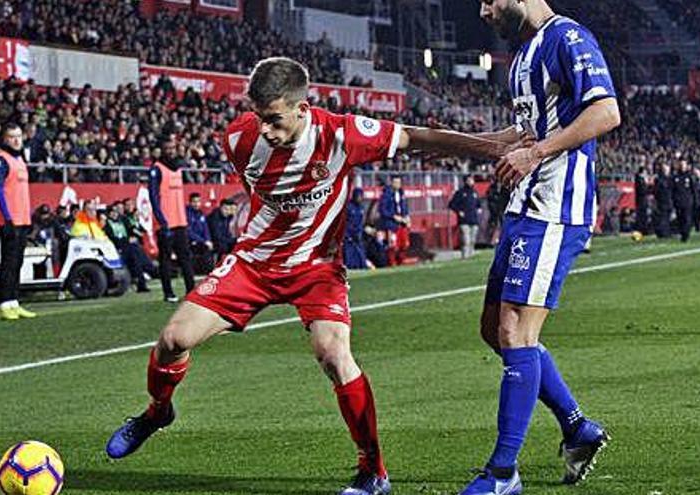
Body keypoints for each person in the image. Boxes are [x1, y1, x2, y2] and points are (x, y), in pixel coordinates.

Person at [105, 56, 510, 495]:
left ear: (303, 107)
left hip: (317, 268)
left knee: (334, 354)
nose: (263, 129)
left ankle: (373, 471)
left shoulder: (340, 133)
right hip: (255, 262)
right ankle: (157, 412)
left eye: (274, 119)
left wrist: (491, 145)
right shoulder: (238, 138)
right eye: (259, 117)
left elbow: (415, 137)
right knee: (172, 341)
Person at [462, 1, 622, 493]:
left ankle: (503, 472)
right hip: (523, 208)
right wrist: (459, 144)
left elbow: (606, 111)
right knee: (495, 329)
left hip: (555, 208)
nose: (484, 11)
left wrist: (536, 152)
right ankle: (578, 428)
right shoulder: (524, 54)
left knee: (515, 331)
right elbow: (527, 132)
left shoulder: (567, 39)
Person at [0, 123, 36, 321]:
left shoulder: (20, 161)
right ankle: (4, 303)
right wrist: (7, 217)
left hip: (22, 219)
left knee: (17, 262)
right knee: (8, 262)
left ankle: (14, 301)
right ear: (5, 139)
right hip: (10, 220)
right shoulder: (2, 161)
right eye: (12, 136)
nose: (17, 140)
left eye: (19, 136)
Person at [148, 136, 196, 302]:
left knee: (185, 258)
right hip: (165, 223)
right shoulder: (156, 169)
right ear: (162, 149)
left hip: (180, 221)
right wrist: (161, 221)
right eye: (167, 148)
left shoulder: (179, 168)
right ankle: (168, 293)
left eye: (172, 148)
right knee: (165, 260)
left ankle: (191, 292)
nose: (170, 151)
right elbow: (153, 197)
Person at [378, 176, 410, 266]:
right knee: (392, 246)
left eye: (399, 182)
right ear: (392, 183)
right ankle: (392, 264)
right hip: (391, 224)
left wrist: (407, 216)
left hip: (402, 224)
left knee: (403, 245)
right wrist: (393, 216)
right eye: (395, 182)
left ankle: (401, 262)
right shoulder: (386, 194)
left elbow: (405, 207)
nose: (398, 184)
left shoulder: (401, 193)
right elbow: (382, 210)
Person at [449, 175, 482, 259]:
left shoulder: (474, 192)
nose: (472, 181)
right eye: (470, 180)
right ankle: (465, 256)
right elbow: (451, 204)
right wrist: (459, 211)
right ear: (466, 181)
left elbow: (478, 203)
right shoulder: (460, 192)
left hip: (474, 219)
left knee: (472, 240)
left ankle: (470, 255)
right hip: (464, 220)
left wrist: (479, 208)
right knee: (466, 239)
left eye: (472, 180)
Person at [186, 192, 215, 274]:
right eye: (194, 202)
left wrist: (208, 240)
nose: (196, 204)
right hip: (191, 242)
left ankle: (208, 269)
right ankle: (202, 270)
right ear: (190, 202)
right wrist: (203, 241)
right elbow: (189, 232)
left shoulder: (201, 214)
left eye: (198, 201)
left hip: (202, 242)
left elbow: (206, 229)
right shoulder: (187, 214)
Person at [344, 188, 369, 269]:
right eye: (358, 196)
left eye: (361, 196)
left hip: (358, 234)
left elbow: (361, 222)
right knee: (350, 253)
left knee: (361, 252)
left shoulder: (361, 208)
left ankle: (362, 266)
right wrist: (347, 234)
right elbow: (345, 222)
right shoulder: (349, 207)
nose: (360, 198)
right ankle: (350, 267)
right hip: (349, 235)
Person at [672, 160, 694, 242]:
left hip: (687, 202)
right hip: (678, 202)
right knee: (680, 219)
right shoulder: (675, 177)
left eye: (683, 165)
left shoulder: (689, 176)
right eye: (680, 165)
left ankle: (686, 235)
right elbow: (672, 190)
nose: (682, 166)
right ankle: (682, 233)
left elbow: (693, 189)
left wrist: (696, 201)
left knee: (687, 219)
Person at [654, 164, 673, 238]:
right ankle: (663, 233)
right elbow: (657, 191)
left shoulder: (667, 179)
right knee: (663, 217)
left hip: (667, 200)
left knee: (666, 218)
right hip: (663, 201)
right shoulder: (660, 179)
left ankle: (666, 232)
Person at [634, 166, 651, 235]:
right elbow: (642, 190)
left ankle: (643, 229)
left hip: (642, 200)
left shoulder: (640, 179)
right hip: (641, 200)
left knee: (643, 215)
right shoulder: (639, 179)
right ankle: (642, 229)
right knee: (642, 215)